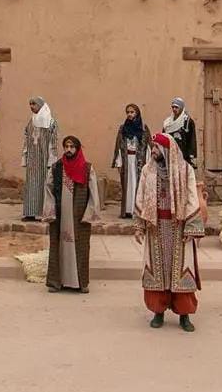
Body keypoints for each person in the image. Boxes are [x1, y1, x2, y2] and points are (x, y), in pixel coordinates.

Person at [133, 132, 206, 332]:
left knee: (181, 271)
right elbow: (140, 196)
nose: (153, 151)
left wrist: (191, 226)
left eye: (156, 147)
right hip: (156, 227)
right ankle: (158, 311)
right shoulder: (148, 170)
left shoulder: (185, 170)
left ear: (167, 149)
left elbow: (192, 196)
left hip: (179, 226)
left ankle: (184, 315)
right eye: (153, 147)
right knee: (158, 271)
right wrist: (139, 225)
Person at [44, 135, 102, 293]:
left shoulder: (87, 168)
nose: (68, 150)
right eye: (66, 146)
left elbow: (93, 193)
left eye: (72, 147)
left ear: (77, 149)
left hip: (79, 215)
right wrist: (50, 210)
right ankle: (57, 282)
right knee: (59, 246)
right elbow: (48, 188)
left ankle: (81, 283)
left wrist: (90, 213)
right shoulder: (56, 167)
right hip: (60, 215)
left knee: (80, 247)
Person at [22, 97, 60, 222]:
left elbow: (53, 143)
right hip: (33, 159)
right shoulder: (31, 121)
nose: (31, 106)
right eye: (30, 104)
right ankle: (30, 213)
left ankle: (45, 212)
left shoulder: (51, 123)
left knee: (45, 185)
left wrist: (52, 161)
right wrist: (25, 157)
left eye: (34, 104)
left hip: (45, 159)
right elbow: (26, 139)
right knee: (32, 185)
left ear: (41, 105)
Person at [111, 103, 147, 219]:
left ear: (137, 113)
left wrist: (147, 162)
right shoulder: (123, 128)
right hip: (127, 161)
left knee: (137, 184)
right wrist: (119, 162)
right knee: (127, 185)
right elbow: (119, 146)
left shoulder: (143, 128)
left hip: (138, 161)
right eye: (128, 112)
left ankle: (136, 211)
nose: (130, 114)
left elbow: (148, 146)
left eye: (132, 112)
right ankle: (127, 211)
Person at [161, 98, 197, 168]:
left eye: (176, 107)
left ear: (181, 108)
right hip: (171, 152)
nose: (174, 109)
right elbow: (164, 136)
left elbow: (191, 138)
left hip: (183, 153)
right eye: (173, 107)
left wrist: (191, 154)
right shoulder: (168, 122)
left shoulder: (187, 121)